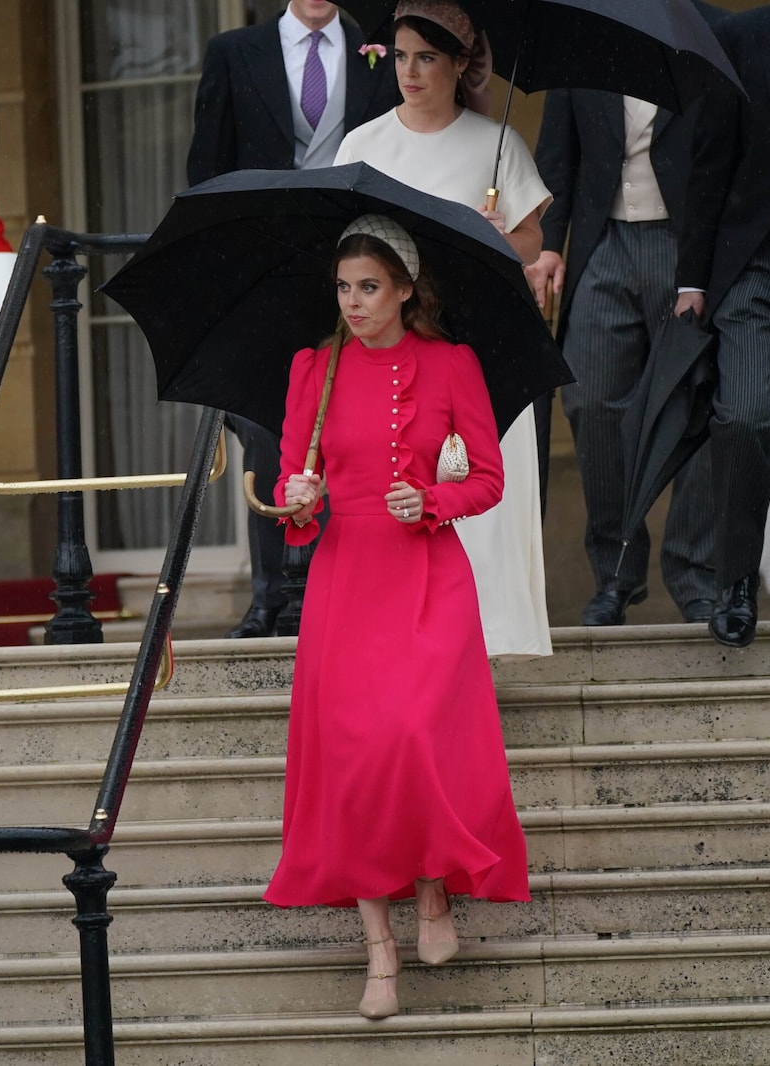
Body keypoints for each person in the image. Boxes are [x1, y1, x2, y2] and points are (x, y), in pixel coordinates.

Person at [263, 215, 530, 1019]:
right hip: (345, 579)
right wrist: (295, 500)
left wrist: (433, 500)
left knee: (412, 736)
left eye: (369, 287)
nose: (353, 302)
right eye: (343, 287)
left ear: (406, 289)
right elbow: (289, 484)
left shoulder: (450, 365)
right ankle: (380, 951)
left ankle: (434, 896)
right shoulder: (312, 368)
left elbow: (488, 479)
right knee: (351, 761)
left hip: (426, 574)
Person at [334, 0, 554, 657]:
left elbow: (530, 239)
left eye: (427, 57)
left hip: (475, 346)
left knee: (471, 486)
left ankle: (486, 638)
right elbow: (341, 243)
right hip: (391, 350)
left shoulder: (497, 145)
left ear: (460, 64)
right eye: (401, 56)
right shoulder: (362, 146)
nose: (410, 71)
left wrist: (498, 237)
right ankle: (399, 635)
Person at [186, 0, 399, 638]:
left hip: (356, 266)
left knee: (355, 426)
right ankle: (270, 594)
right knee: (267, 429)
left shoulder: (381, 54)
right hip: (264, 272)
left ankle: (337, 590)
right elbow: (207, 172)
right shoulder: (232, 52)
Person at [525, 0, 725, 627]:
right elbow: (559, 152)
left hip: (688, 246)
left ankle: (694, 575)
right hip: (603, 243)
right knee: (589, 398)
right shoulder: (583, 37)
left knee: (697, 406)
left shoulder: (712, 32)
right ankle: (615, 570)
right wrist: (551, 244)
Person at [674, 0, 770, 648]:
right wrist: (692, 280)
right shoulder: (744, 37)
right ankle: (735, 582)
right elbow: (710, 161)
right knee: (744, 416)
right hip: (761, 262)